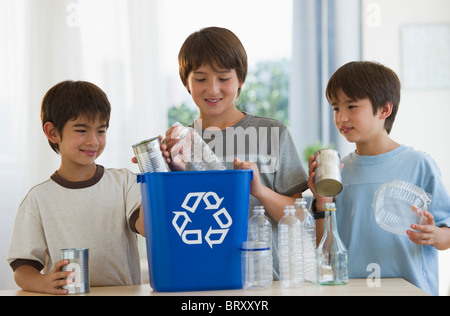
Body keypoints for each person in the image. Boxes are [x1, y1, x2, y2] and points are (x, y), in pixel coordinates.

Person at [161, 27, 309, 279]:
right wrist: (164, 168)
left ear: (240, 78)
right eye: (200, 79)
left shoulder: (272, 133)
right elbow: (169, 221)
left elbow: (300, 219)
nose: (213, 89)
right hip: (200, 278)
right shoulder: (179, 145)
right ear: (186, 82)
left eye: (223, 77)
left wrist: (260, 191)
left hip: (265, 282)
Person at [308, 61, 450, 295]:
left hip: (412, 290)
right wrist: (322, 202)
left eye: (351, 106)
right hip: (351, 290)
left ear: (385, 109)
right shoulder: (339, 171)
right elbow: (326, 249)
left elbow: (447, 234)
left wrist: (435, 235)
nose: (341, 117)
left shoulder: (419, 164)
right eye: (335, 108)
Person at [7, 81, 146, 295]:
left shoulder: (124, 182)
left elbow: (147, 228)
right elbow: (22, 269)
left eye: (101, 130)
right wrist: (44, 283)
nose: (93, 141)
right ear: (53, 132)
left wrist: (155, 177)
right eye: (81, 130)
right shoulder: (38, 199)